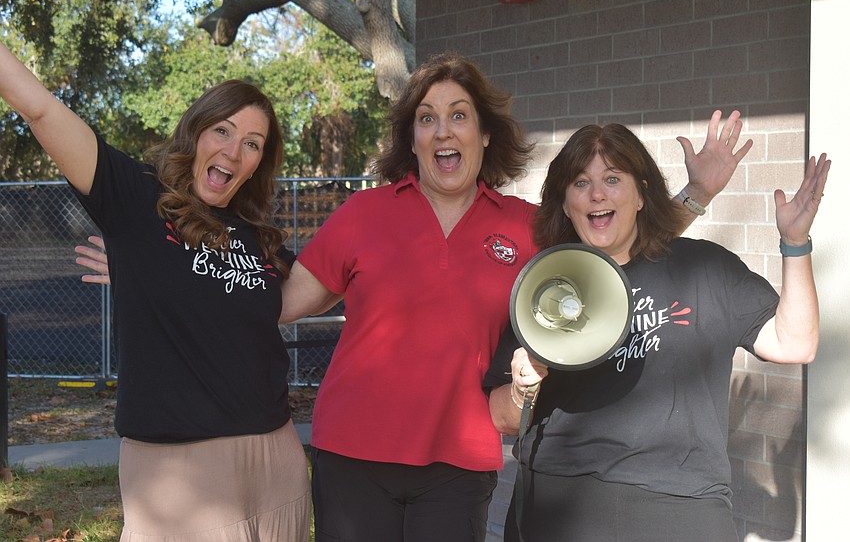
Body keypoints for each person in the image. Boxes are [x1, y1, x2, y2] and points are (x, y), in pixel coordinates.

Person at [73, 52, 750, 542]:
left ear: (485, 134)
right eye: (426, 118)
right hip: (350, 461)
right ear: (413, 138)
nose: (442, 130)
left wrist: (696, 196)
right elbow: (271, 303)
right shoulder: (365, 214)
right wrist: (159, 266)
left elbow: (610, 247)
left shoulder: (522, 225)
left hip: (460, 464)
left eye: (459, 116)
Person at [0, 41, 311, 541]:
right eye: (223, 131)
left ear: (259, 162)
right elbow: (37, 105)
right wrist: (136, 265)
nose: (234, 150)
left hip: (277, 459)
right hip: (180, 473)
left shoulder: (257, 234)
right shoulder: (137, 197)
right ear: (196, 132)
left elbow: (311, 293)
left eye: (252, 144)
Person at [484, 120, 830, 542]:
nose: (597, 193)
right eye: (580, 182)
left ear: (642, 194)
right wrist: (523, 387)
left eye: (613, 178)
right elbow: (502, 418)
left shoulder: (703, 268)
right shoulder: (546, 286)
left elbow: (796, 342)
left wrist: (795, 244)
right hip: (559, 501)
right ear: (565, 203)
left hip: (680, 506)